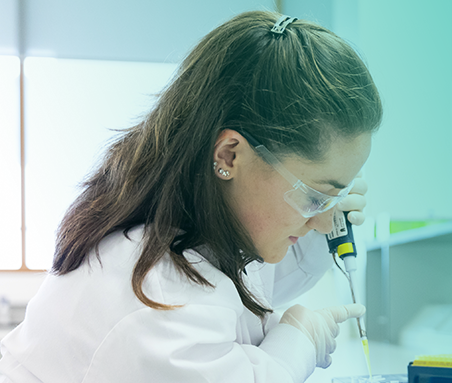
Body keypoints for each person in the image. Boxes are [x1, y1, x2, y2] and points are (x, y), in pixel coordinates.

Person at [0, 11, 381, 383]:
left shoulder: (198, 231)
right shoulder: (155, 293)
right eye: (316, 195)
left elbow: (251, 283)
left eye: (337, 196)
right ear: (229, 155)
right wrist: (299, 343)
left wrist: (316, 225)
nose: (327, 219)